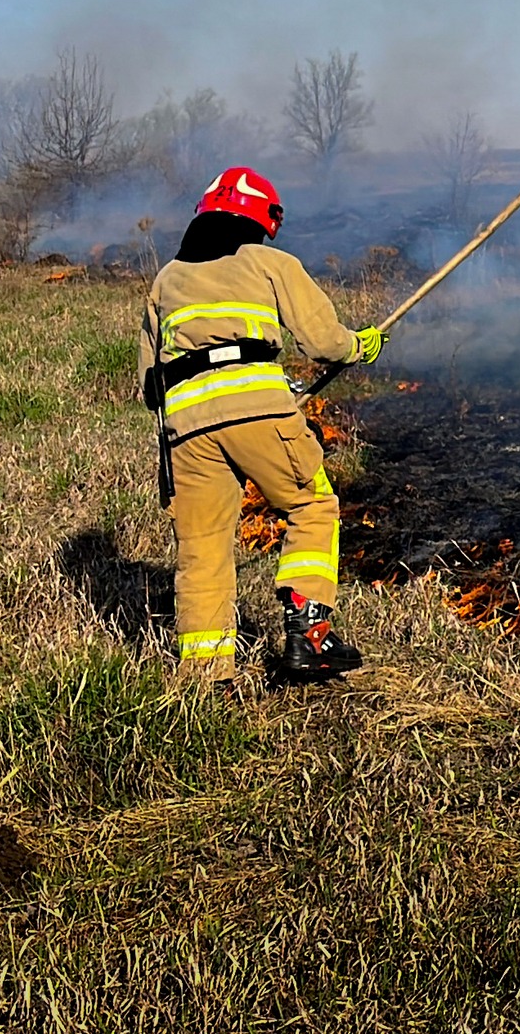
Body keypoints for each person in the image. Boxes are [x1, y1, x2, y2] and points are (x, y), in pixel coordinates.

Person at [138, 166, 383, 685]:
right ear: (259, 219)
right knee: (312, 505)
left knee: (202, 546)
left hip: (186, 429)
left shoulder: (166, 281)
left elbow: (149, 385)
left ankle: (206, 675)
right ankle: (310, 635)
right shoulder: (270, 262)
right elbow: (322, 341)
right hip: (259, 413)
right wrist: (361, 345)